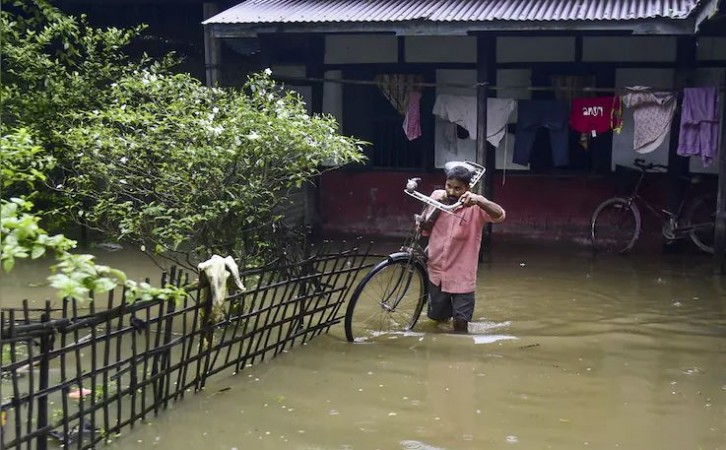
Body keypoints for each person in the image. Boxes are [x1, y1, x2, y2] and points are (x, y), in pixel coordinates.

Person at [419, 161, 505, 333]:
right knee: (437, 322)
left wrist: (479, 200)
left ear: (467, 189)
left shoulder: (475, 206)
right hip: (437, 271)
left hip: (462, 275)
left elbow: (500, 215)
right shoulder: (437, 196)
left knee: (460, 325)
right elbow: (423, 228)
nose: (451, 192)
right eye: (448, 186)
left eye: (457, 188)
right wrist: (437, 205)